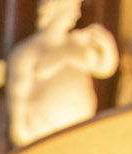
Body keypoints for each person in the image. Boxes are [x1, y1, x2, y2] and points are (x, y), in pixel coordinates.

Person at [6, 0, 119, 146]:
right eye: (73, 8)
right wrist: (21, 135)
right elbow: (18, 96)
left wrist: (106, 43)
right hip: (42, 133)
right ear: (56, 8)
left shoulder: (78, 44)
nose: (77, 14)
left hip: (79, 130)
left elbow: (105, 68)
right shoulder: (28, 52)